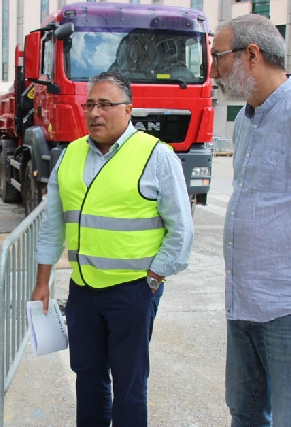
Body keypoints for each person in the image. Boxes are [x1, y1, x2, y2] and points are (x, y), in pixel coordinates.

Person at [30, 71, 193, 427]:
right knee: (87, 378)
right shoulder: (70, 154)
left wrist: (152, 280)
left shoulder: (156, 155)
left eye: (105, 104)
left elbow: (181, 230)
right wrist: (42, 282)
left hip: (133, 291)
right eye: (89, 104)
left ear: (128, 110)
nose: (94, 113)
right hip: (84, 292)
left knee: (130, 384)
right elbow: (53, 226)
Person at [210, 14, 291, 427]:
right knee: (245, 412)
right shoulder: (245, 123)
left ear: (251, 54)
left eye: (218, 57)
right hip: (243, 303)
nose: (212, 70)